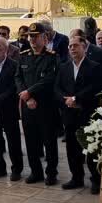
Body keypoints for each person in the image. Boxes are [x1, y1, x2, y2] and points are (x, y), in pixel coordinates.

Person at [55, 34, 102, 192]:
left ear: (84, 47)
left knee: (91, 148)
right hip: (69, 114)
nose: (72, 48)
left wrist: (77, 98)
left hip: (87, 113)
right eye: (70, 46)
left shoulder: (94, 66)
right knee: (72, 147)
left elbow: (95, 87)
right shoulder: (64, 67)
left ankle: (96, 180)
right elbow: (57, 87)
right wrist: (65, 100)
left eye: (75, 45)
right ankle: (76, 177)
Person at [16, 22, 61, 185]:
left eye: (35, 37)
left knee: (49, 141)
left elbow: (49, 79)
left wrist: (30, 92)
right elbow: (18, 77)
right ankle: (36, 172)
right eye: (30, 36)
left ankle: (51, 173)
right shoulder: (24, 55)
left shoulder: (52, 56)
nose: (32, 40)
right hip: (28, 105)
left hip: (45, 105)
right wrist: (27, 97)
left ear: (44, 37)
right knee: (31, 140)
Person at [0, 37, 24, 180]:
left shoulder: (14, 65)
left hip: (8, 109)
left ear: (6, 49)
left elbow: (12, 88)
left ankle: (16, 169)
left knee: (13, 140)